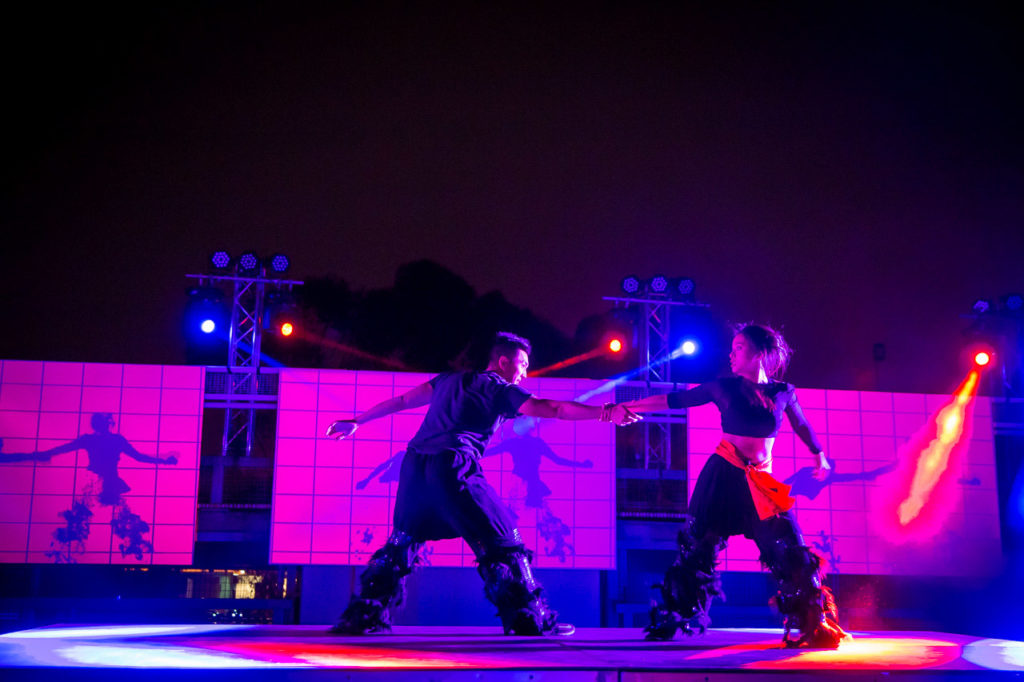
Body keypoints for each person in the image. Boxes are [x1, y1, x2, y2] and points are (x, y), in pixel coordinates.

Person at [324, 331, 640, 636]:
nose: (524, 373)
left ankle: (363, 616)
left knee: (401, 543)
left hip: (415, 468)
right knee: (506, 540)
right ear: (503, 361)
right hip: (453, 467)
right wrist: (604, 413)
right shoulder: (500, 388)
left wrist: (356, 421)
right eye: (523, 364)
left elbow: (404, 400)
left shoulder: (447, 379)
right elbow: (551, 408)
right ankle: (530, 619)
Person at [621, 323, 849, 648]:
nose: (731, 354)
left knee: (790, 550)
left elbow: (801, 423)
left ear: (759, 353)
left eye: (739, 348)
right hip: (722, 476)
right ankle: (679, 618)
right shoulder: (723, 386)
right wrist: (627, 407)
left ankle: (816, 622)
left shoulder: (783, 391)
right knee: (697, 549)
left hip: (760, 483)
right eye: (732, 348)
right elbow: (676, 399)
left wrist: (819, 455)